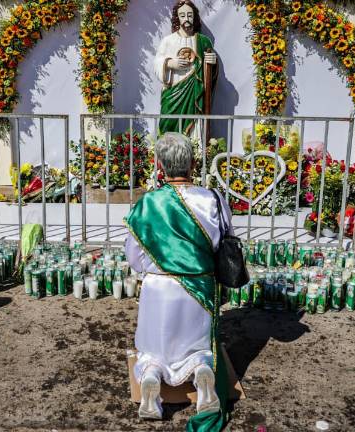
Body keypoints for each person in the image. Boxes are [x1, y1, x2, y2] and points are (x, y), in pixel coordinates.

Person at [124, 132, 232, 431]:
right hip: (200, 286)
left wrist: (157, 268)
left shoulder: (148, 203)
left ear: (159, 165)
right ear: (193, 164)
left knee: (151, 352)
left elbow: (134, 255)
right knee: (199, 348)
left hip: (159, 286)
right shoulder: (212, 199)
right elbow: (225, 242)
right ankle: (202, 374)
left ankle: (150, 380)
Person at [154, 0, 218, 139]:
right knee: (168, 124)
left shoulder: (204, 41)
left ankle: (195, 153)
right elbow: (157, 62)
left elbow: (210, 75)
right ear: (177, 18)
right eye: (182, 15)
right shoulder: (168, 41)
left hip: (195, 92)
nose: (186, 19)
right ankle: (168, 155)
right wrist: (170, 63)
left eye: (190, 15)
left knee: (194, 130)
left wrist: (213, 64)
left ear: (194, 17)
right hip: (173, 93)